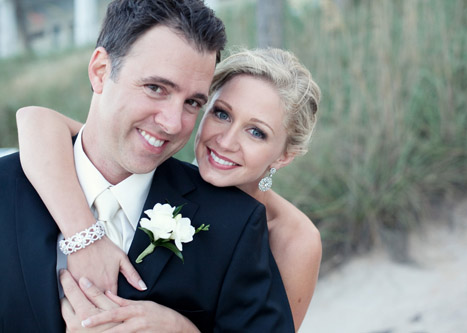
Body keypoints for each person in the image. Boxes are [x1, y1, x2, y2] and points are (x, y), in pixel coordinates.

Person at [1, 0, 295, 332]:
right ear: (100, 71)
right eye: (156, 88)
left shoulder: (235, 225)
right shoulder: (5, 188)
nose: (172, 123)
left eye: (193, 103)